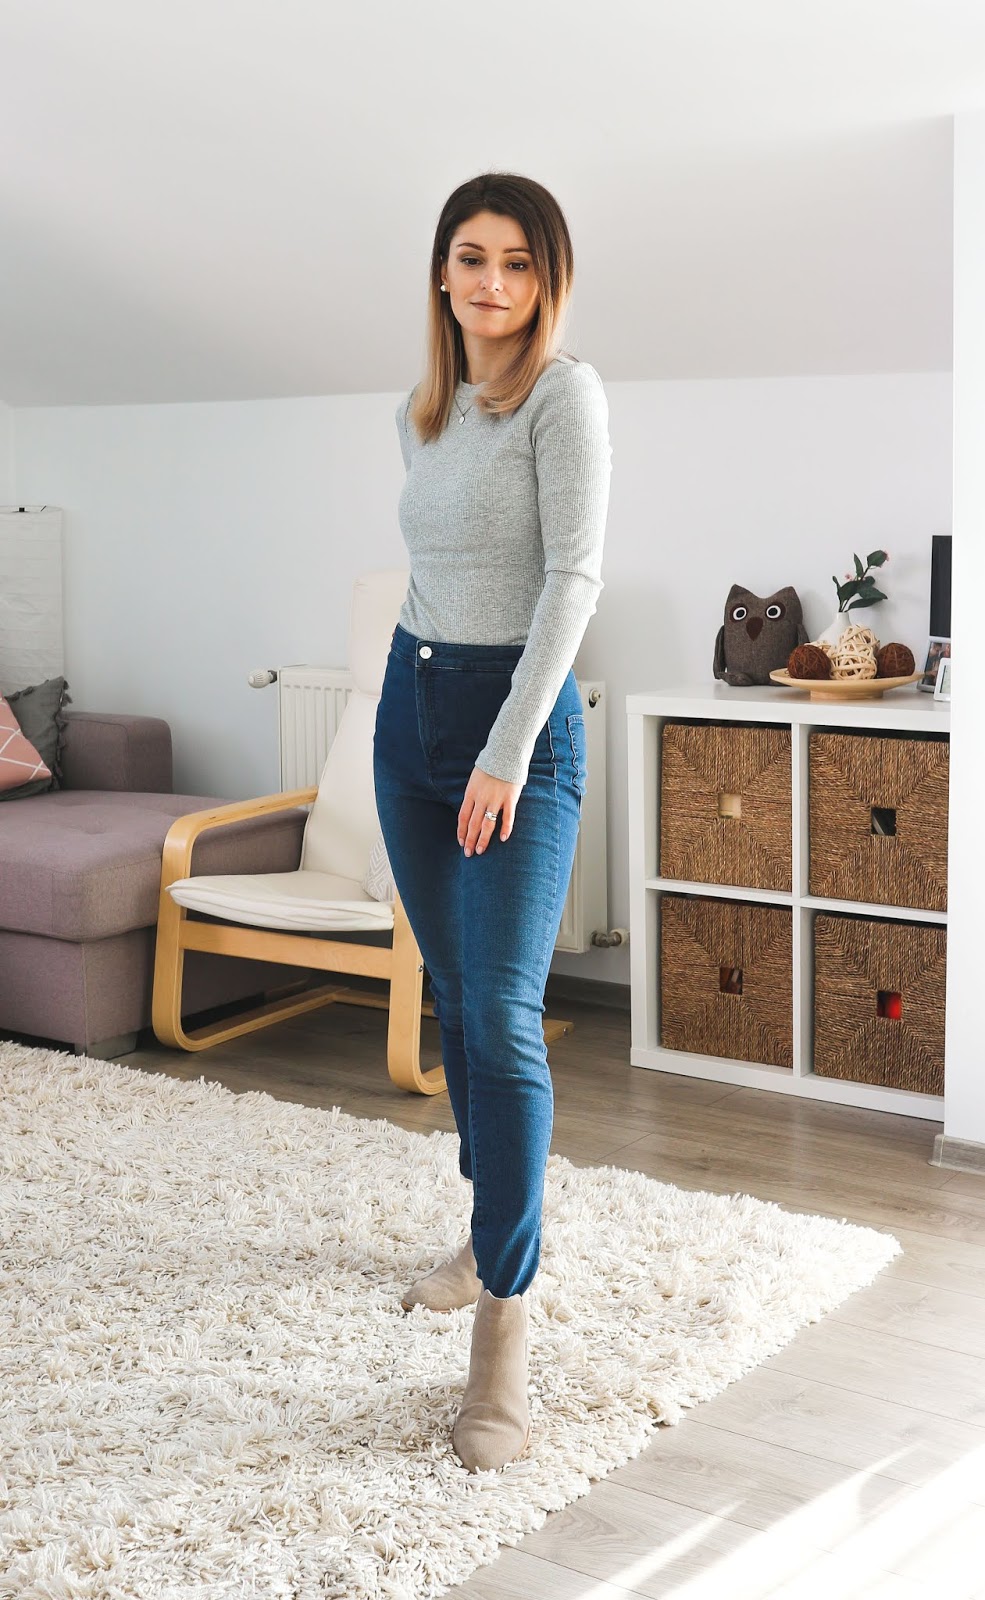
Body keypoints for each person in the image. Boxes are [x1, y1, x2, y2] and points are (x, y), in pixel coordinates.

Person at [372, 172, 612, 1472]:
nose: (492, 284)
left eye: (517, 263)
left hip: (517, 730)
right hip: (410, 721)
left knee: (505, 1015)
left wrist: (506, 750)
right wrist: (418, 725)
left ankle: (504, 1328)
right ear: (442, 273)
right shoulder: (419, 413)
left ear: (545, 278)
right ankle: (481, 1241)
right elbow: (432, 572)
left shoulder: (561, 397)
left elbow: (573, 577)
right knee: (456, 1002)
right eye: (471, 258)